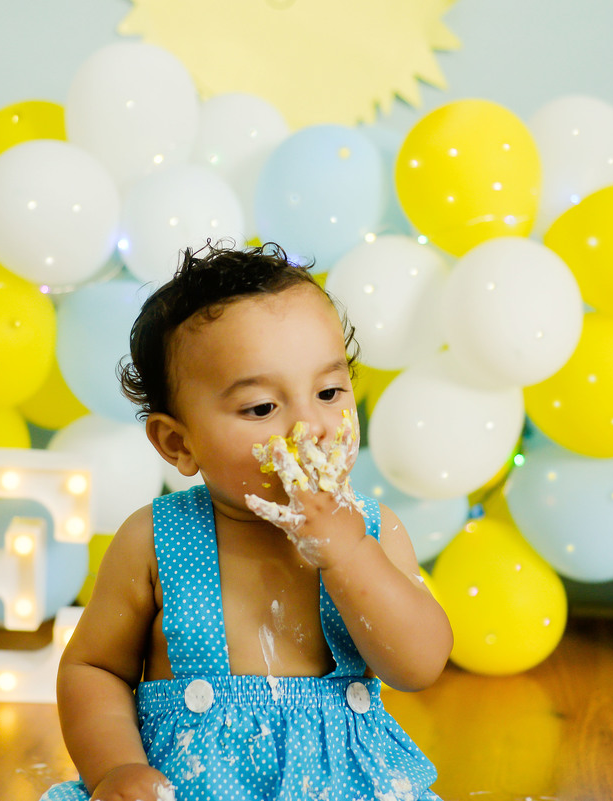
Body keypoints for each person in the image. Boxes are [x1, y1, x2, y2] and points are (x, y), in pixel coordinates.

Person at [43, 242, 453, 801]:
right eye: (262, 408)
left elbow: (419, 665)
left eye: (329, 392)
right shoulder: (153, 540)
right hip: (192, 784)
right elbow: (94, 669)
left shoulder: (375, 531)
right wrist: (114, 769)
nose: (309, 428)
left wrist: (350, 553)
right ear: (178, 443)